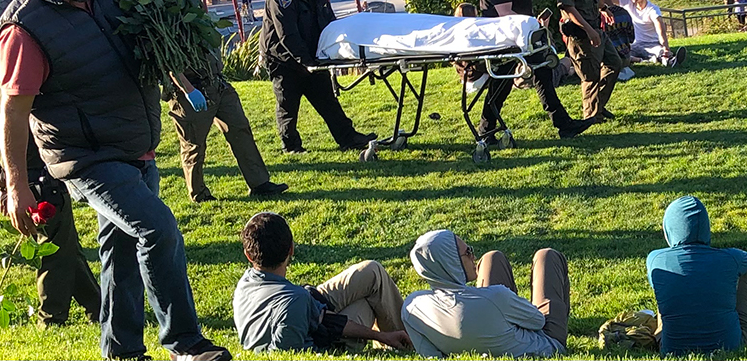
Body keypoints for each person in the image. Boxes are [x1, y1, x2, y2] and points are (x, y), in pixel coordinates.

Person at [0, 0, 230, 361]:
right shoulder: (24, 27)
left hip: (134, 144)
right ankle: (185, 343)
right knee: (158, 229)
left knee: (120, 253)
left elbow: (145, 40)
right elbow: (14, 110)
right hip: (86, 155)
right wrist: (16, 186)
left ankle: (121, 351)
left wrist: (181, 72)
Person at [0, 84, 101, 327]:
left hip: (15, 186)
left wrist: (4, 189)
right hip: (44, 187)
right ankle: (51, 318)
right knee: (54, 254)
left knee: (66, 247)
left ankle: (98, 308)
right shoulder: (25, 100)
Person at [476, 0, 592, 140]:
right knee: (502, 82)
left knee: (541, 73)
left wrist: (533, 21)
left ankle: (562, 123)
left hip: (523, 30)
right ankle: (485, 130)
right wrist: (530, 25)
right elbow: (504, 12)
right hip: (506, 34)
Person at [233, 212, 411, 353]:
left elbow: (318, 316)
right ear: (291, 249)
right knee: (366, 305)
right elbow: (285, 352)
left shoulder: (245, 282)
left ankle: (399, 338)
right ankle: (407, 344)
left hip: (310, 306)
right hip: (326, 343)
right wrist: (381, 336)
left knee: (372, 271)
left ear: (248, 256)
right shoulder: (296, 300)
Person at [260, 0, 374, 153]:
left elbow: (329, 22)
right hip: (283, 59)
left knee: (327, 100)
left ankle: (348, 138)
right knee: (288, 104)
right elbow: (287, 33)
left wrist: (332, 51)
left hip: (313, 56)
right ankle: (291, 146)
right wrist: (305, 61)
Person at [401, 229, 570, 358]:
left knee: (492, 257)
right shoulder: (496, 297)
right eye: (467, 253)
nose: (473, 256)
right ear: (451, 261)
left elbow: (431, 355)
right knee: (546, 256)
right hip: (544, 347)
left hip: (484, 329)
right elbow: (538, 321)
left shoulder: (412, 307)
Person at [646, 196, 747, 356]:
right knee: (745, 275)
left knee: (667, 286)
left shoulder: (655, 259)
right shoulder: (731, 259)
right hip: (730, 346)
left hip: (671, 348)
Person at [164, 56, 288, 203]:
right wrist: (189, 91)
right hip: (189, 89)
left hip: (217, 84)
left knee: (240, 131)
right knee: (193, 145)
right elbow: (169, 63)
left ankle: (259, 183)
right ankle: (199, 194)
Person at [552, 0, 623, 122]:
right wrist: (589, 31)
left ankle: (598, 105)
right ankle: (591, 115)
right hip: (581, 33)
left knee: (614, 63)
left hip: (595, 26)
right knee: (590, 76)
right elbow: (568, 8)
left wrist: (603, 8)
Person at [616, 0, 685, 69]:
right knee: (620, 54)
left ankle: (669, 60)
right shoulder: (628, 3)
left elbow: (661, 31)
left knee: (660, 52)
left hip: (653, 44)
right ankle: (643, 60)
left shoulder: (652, 9)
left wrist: (666, 49)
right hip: (636, 45)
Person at [597, 0, 636, 82]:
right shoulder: (624, 13)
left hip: (609, 61)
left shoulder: (597, 17)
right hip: (626, 59)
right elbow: (631, 38)